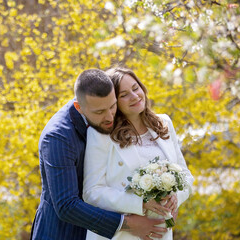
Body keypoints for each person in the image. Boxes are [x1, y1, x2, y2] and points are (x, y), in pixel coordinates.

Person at [31, 69, 168, 240]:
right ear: (79, 107)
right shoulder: (58, 137)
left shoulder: (106, 115)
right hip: (62, 233)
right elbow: (66, 205)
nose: (110, 116)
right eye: (99, 112)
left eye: (112, 106)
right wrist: (129, 224)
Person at [83, 67, 194, 240]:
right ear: (113, 103)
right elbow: (92, 192)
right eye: (124, 94)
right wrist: (140, 204)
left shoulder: (164, 123)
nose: (134, 96)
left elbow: (186, 175)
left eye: (135, 88)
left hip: (160, 232)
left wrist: (176, 197)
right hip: (121, 234)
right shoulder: (101, 133)